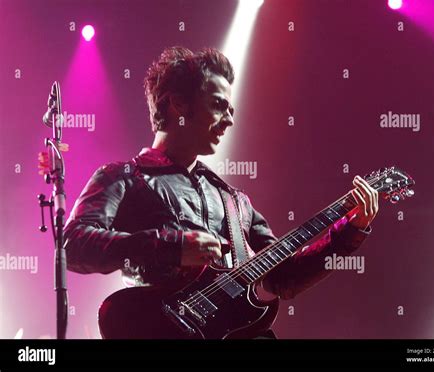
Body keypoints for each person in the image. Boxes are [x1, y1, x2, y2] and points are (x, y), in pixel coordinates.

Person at [64, 46, 378, 338]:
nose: (229, 120)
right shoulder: (124, 177)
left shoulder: (234, 200)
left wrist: (350, 231)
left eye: (231, 109)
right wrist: (171, 246)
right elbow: (72, 245)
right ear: (178, 104)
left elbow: (285, 277)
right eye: (218, 105)